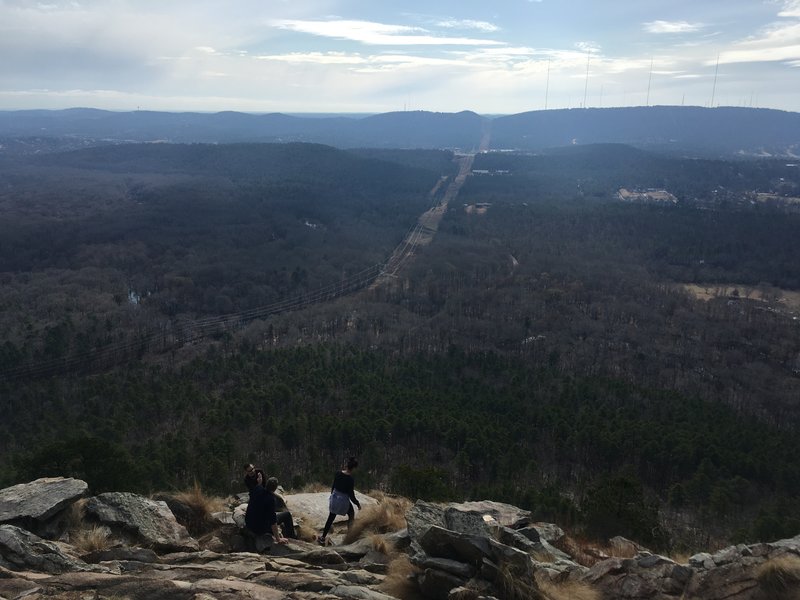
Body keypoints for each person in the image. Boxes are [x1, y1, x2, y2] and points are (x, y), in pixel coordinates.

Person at [318, 457, 361, 545]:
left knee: (331, 517)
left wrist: (333, 496)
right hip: (343, 501)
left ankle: (322, 537)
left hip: (334, 498)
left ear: (346, 465)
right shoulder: (350, 479)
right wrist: (358, 504)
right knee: (351, 514)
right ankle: (350, 537)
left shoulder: (338, 473)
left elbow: (333, 486)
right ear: (353, 468)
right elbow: (351, 496)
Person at [244, 472, 292, 549]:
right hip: (259, 529)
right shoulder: (270, 499)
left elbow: (258, 485)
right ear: (275, 488)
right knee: (287, 515)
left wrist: (259, 480)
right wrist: (278, 539)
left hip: (249, 524)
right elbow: (273, 521)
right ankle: (291, 537)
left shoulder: (257, 489)